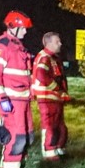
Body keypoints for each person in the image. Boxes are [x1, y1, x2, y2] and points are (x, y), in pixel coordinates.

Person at [0, 11, 35, 168]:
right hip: (11, 100)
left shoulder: (18, 46)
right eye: (22, 28)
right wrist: (1, 98)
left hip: (23, 100)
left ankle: (19, 167)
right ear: (12, 27)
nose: (25, 31)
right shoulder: (2, 45)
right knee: (16, 136)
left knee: (28, 136)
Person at [31, 31, 72, 160]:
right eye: (57, 42)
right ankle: (49, 152)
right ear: (48, 43)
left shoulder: (54, 58)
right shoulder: (44, 57)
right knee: (50, 125)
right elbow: (42, 76)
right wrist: (58, 89)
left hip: (55, 97)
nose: (60, 44)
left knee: (59, 125)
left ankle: (58, 149)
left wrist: (62, 92)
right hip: (46, 97)